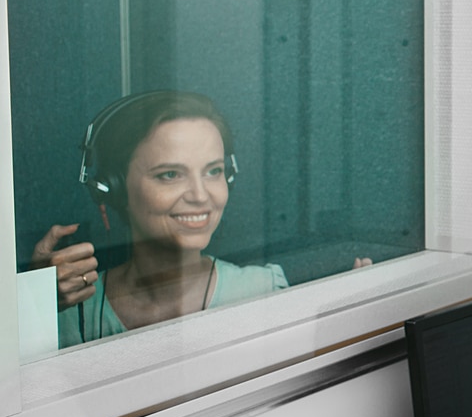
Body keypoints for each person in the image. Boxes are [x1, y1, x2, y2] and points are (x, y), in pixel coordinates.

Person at [31, 91, 370, 347]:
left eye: (214, 171)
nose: (200, 195)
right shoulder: (71, 311)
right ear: (113, 191)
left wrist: (341, 336)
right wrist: (31, 305)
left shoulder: (262, 291)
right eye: (169, 175)